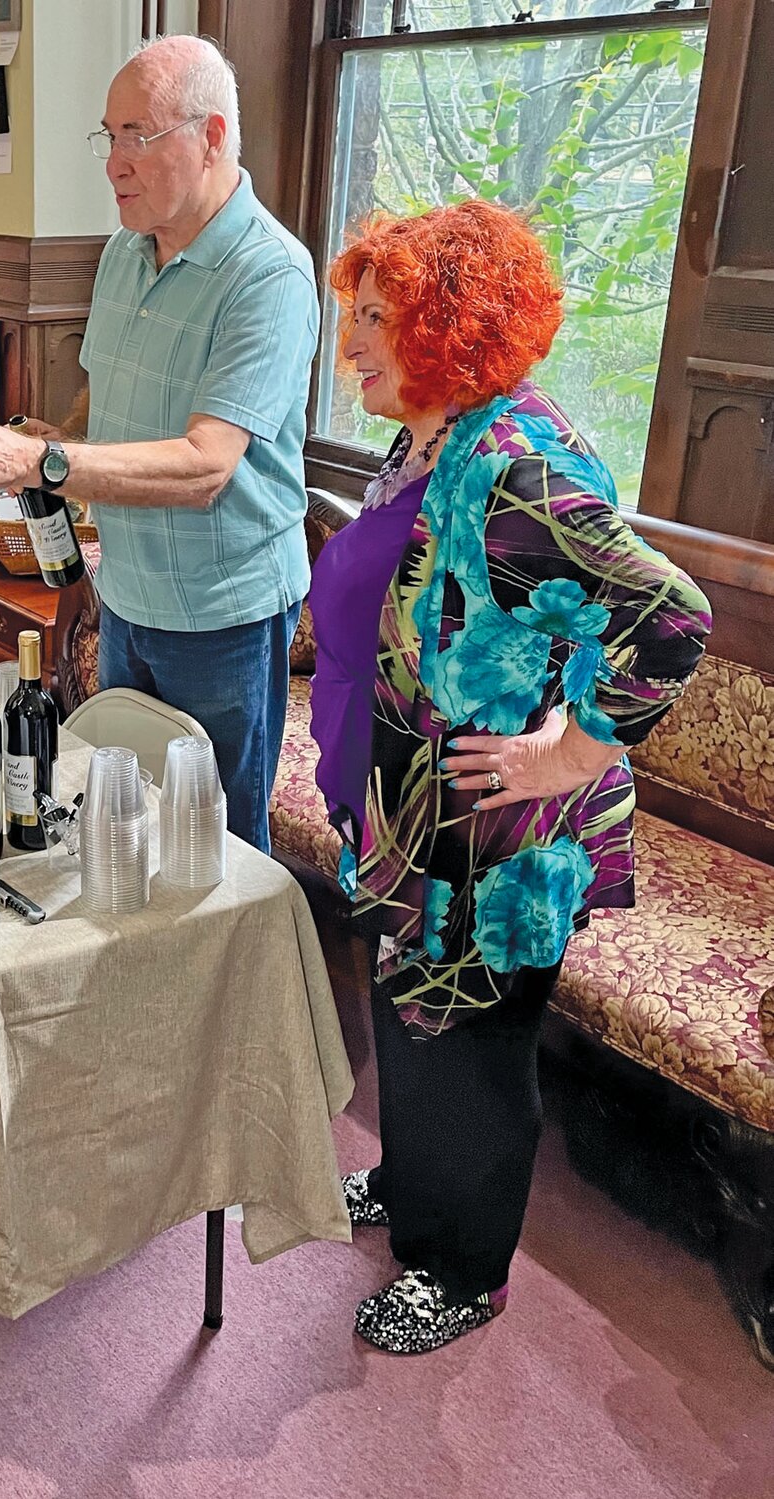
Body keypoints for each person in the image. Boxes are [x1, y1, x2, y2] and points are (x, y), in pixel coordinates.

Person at [312, 199, 711, 1354]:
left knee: (476, 1046)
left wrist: (569, 749)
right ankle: (409, 1179)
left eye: (377, 321)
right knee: (411, 1009)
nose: (353, 348)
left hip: (493, 834)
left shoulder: (518, 466)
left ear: (446, 324)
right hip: (409, 804)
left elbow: (672, 617)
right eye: (356, 319)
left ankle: (463, 1267)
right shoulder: (429, 431)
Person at [0, 34, 318, 852]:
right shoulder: (123, 257)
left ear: (209, 138)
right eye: (109, 135)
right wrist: (42, 437)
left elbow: (206, 465)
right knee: (124, 830)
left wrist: (39, 462)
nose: (113, 163)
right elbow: (103, 407)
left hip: (223, 615)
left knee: (217, 852)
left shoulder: (269, 274)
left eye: (138, 135)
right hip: (126, 600)